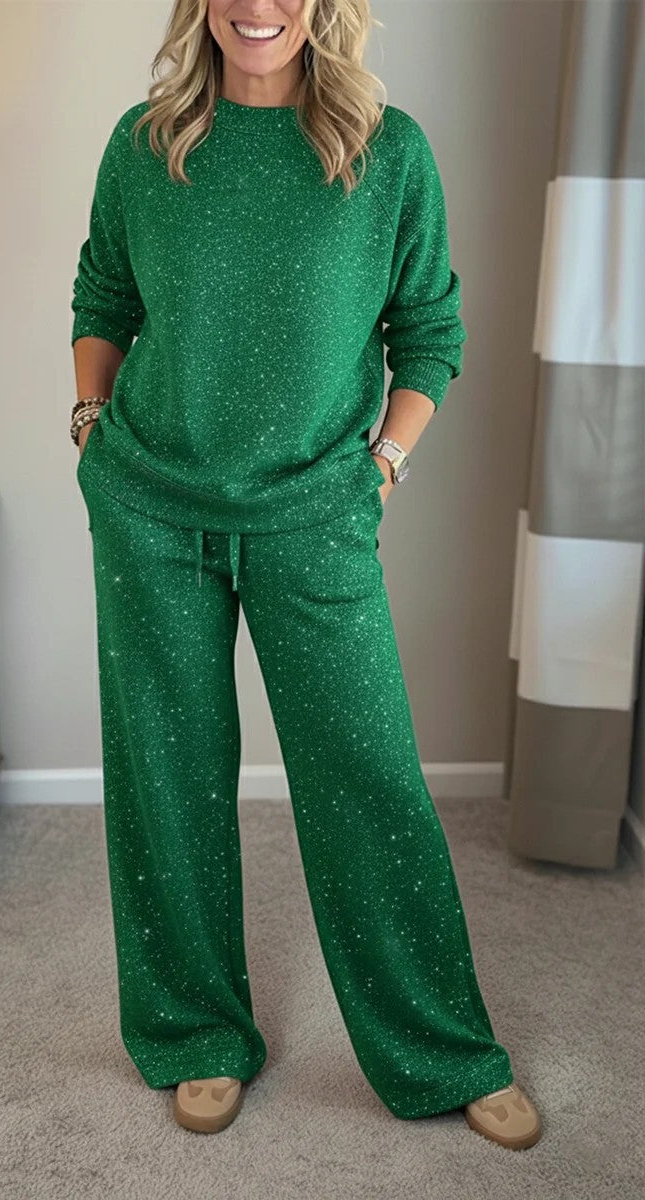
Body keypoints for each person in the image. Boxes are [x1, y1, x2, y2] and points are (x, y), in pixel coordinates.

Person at [70, 0, 542, 1150]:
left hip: (313, 513)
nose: (258, 5)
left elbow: (427, 330)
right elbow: (103, 297)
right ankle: (195, 1034)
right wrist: (89, 425)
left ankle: (440, 1049)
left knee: (366, 779)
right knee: (166, 781)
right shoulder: (144, 144)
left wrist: (381, 467)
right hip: (149, 509)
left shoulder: (387, 153)